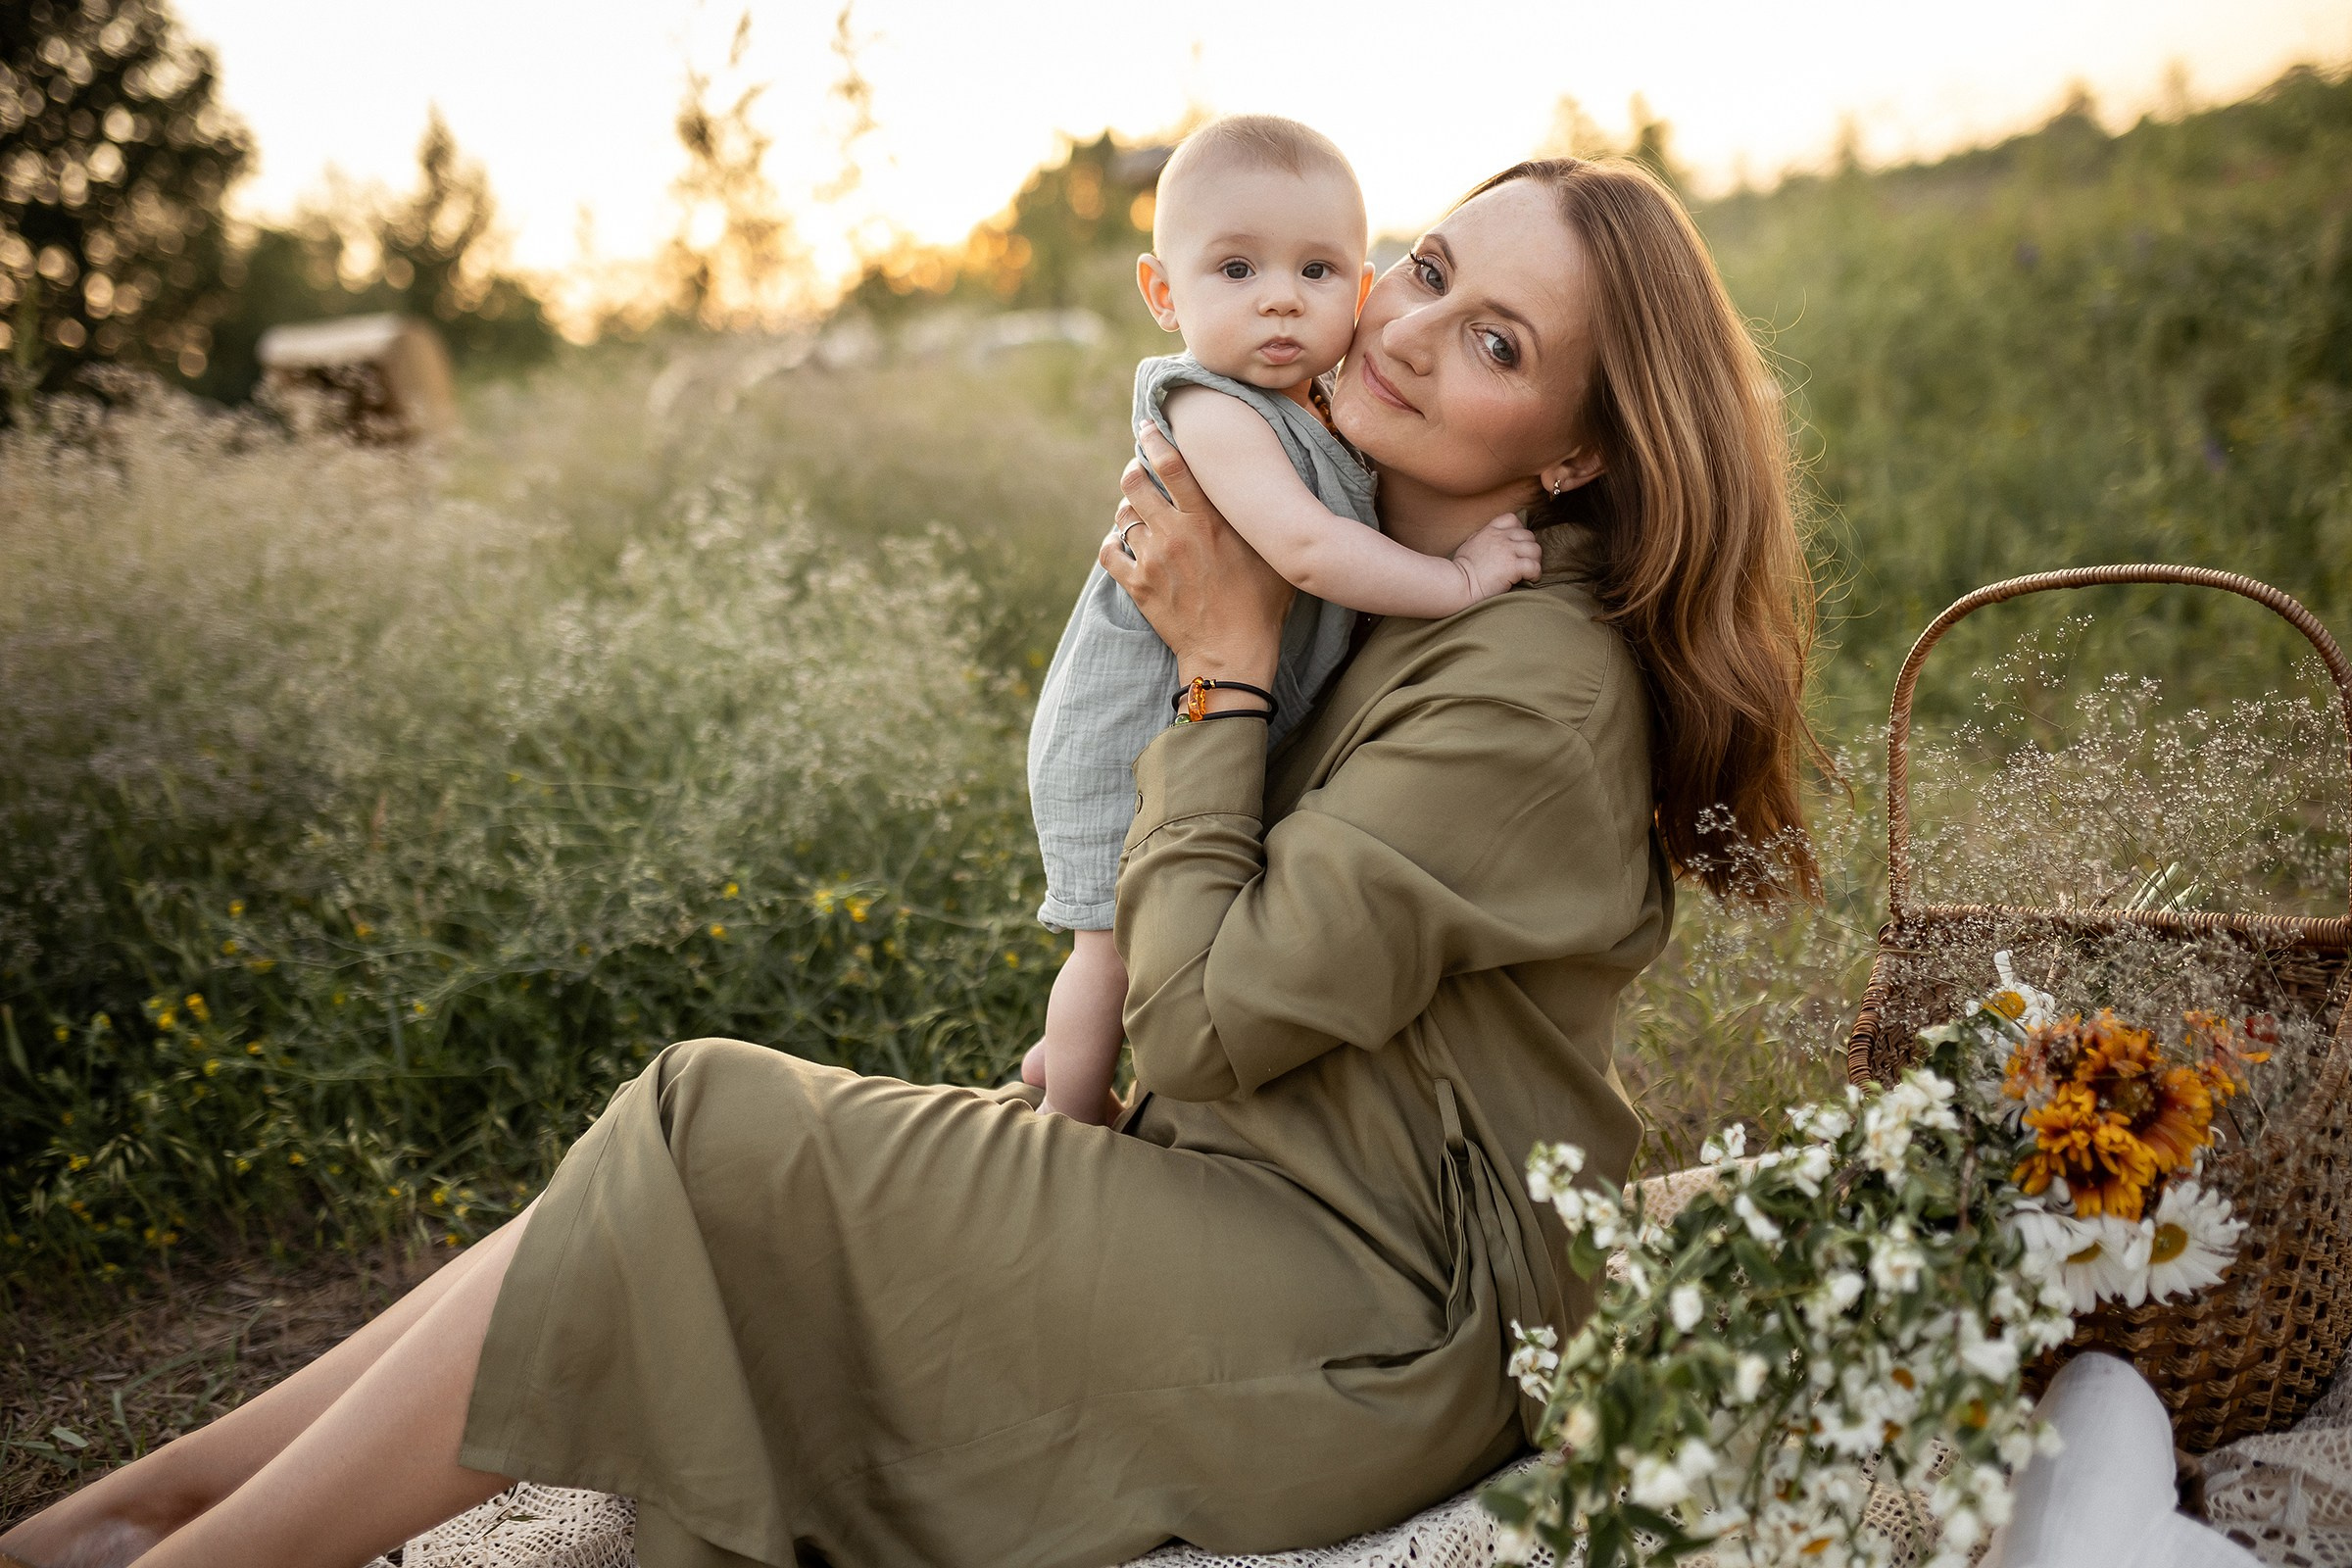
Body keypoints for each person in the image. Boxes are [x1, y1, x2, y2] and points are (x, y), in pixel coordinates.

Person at [0, 156, 1817, 1568]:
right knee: (692, 1149)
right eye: (1425, 267)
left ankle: (187, 1553)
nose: (1410, 332)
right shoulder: (1365, 553)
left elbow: (1198, 1026)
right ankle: (143, 1512)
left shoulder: (1529, 686)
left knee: (720, 1135)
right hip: (1266, 1203)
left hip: (1373, 1322)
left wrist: (1225, 660)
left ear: (1579, 449)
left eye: (1497, 340)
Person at [1025, 114, 1540, 1122]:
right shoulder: (1210, 409)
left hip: (1191, 716)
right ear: (1163, 293)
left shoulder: (1310, 405)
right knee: (1107, 939)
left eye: (1315, 273)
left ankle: (1058, 1062)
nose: (1277, 299)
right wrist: (1463, 582)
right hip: (1125, 728)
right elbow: (1307, 548)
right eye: (1234, 270)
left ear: (1358, 290)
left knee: (1134, 930)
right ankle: (1071, 1118)